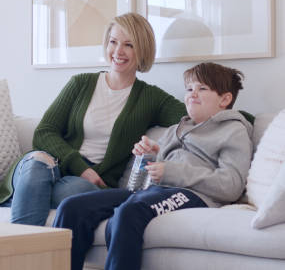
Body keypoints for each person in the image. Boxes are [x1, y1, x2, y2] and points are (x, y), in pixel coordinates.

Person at [53, 62, 253, 270]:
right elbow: (142, 184)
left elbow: (231, 185)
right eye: (189, 88)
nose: (193, 94)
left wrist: (171, 171)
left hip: (193, 195)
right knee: (73, 207)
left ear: (225, 99)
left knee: (129, 212)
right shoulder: (177, 128)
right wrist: (148, 155)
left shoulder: (233, 131)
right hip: (155, 191)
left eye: (202, 88)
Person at [0, 12, 186, 225]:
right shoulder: (80, 83)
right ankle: (27, 254)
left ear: (142, 49)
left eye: (129, 45)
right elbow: (45, 131)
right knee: (36, 165)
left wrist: (226, 111)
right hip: (50, 165)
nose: (118, 51)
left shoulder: (151, 98)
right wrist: (81, 168)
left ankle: (21, 201)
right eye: (113, 42)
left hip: (84, 184)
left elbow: (194, 120)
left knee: (80, 191)